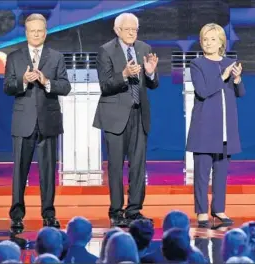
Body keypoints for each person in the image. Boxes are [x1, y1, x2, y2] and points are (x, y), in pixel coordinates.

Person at [3, 13, 71, 233]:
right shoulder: (14, 57)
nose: (36, 34)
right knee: (19, 172)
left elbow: (65, 87)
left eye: (40, 30)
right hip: (23, 122)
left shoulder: (56, 56)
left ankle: (48, 214)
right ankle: (16, 215)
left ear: (45, 32)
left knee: (48, 172)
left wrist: (46, 81)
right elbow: (7, 87)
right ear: (26, 33)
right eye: (32, 31)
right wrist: (23, 81)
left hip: (48, 121)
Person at [93, 12, 159, 227]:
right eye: (127, 29)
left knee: (138, 165)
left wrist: (150, 73)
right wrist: (123, 74)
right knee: (115, 166)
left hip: (139, 114)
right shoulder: (106, 51)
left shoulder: (144, 49)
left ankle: (134, 210)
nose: (132, 33)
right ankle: (116, 211)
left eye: (134, 29)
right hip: (115, 116)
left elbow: (153, 83)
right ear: (117, 30)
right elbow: (105, 85)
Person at [186, 23, 245, 227]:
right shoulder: (197, 64)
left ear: (221, 42)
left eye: (212, 39)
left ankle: (218, 208)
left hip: (225, 128)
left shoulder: (230, 62)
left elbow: (241, 93)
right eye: (205, 39)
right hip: (204, 127)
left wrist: (237, 80)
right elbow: (203, 91)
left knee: (221, 173)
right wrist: (223, 76)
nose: (208, 43)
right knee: (202, 173)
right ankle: (202, 211)